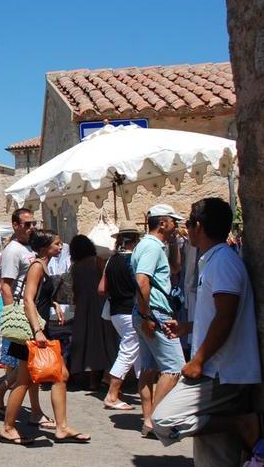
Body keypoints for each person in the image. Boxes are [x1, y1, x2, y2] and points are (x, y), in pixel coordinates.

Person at [152, 198, 261, 466]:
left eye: (188, 223)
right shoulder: (213, 260)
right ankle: (235, 424)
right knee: (213, 454)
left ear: (198, 226)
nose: (185, 229)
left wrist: (198, 360)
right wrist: (189, 327)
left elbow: (226, 315)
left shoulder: (222, 261)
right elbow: (218, 314)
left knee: (164, 420)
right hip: (218, 369)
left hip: (220, 372)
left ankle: (241, 423)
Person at [0, 229, 90, 445]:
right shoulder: (37, 266)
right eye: (56, 243)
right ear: (43, 247)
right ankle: (8, 427)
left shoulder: (44, 266)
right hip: (33, 331)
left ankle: (61, 427)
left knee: (58, 375)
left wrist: (54, 304)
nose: (60, 247)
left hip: (38, 328)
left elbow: (40, 296)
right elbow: (29, 299)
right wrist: (38, 331)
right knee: (25, 380)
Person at [0, 210, 55, 439]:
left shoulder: (28, 248)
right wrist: (13, 316)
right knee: (22, 368)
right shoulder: (13, 251)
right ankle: (2, 398)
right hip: (21, 316)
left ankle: (30, 409)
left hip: (31, 313)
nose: (31, 227)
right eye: (27, 224)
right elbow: (6, 286)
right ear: (15, 225)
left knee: (25, 367)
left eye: (34, 223)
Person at [132, 204, 187, 437]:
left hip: (146, 311)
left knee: (148, 367)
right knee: (174, 368)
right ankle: (155, 421)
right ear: (163, 222)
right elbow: (142, 280)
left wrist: (173, 243)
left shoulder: (151, 246)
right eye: (174, 221)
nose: (177, 226)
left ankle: (148, 420)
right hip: (154, 312)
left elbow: (174, 268)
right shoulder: (152, 247)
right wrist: (147, 315)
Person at [98, 223, 143, 411]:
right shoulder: (136, 260)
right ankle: (112, 394)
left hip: (116, 311)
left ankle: (147, 391)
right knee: (129, 350)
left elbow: (101, 289)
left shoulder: (111, 260)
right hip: (130, 310)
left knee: (139, 351)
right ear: (136, 239)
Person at [68, 234, 119, 390]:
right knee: (104, 340)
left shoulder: (75, 267)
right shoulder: (97, 261)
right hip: (100, 303)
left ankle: (91, 381)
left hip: (83, 306)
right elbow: (106, 280)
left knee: (88, 342)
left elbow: (75, 289)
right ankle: (106, 377)